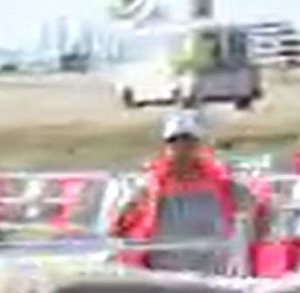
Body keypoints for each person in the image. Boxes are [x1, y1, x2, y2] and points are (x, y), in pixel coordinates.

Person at [111, 110, 268, 274]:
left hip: (213, 273)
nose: (182, 148)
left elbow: (257, 210)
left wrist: (256, 241)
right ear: (166, 147)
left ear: (199, 146)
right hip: (164, 273)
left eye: (188, 141)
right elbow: (120, 225)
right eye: (175, 141)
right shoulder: (149, 186)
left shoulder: (222, 183)